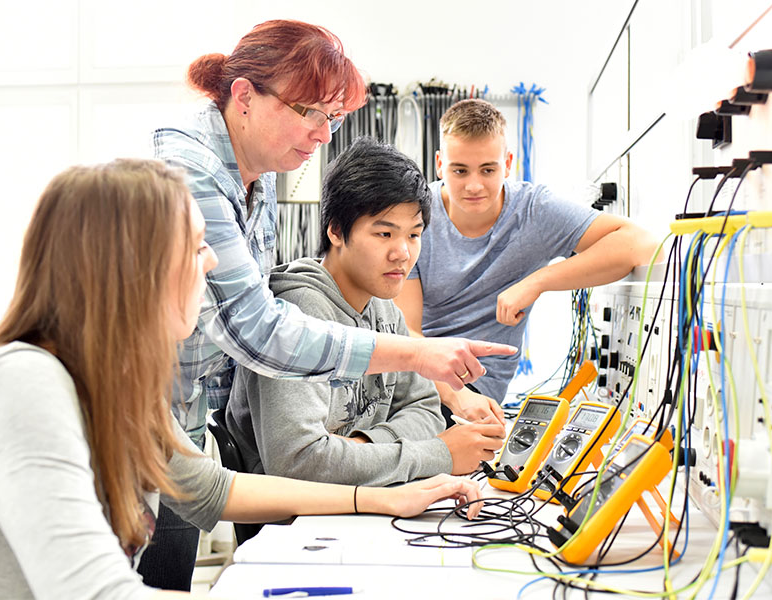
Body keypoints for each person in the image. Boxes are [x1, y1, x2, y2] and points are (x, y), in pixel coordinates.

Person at [0, 159, 484, 599]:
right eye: (196, 244)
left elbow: (213, 489)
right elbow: (97, 592)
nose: (210, 263)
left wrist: (380, 499)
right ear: (131, 265)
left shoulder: (115, 386)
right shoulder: (23, 385)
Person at [149, 21, 513, 588]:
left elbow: (213, 488)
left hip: (183, 436)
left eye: (333, 118)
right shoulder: (190, 171)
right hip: (146, 424)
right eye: (310, 113)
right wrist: (422, 386)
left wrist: (371, 451)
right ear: (243, 96)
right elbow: (256, 331)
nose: (323, 135)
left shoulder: (260, 175)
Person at [226, 138, 506, 486]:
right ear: (336, 231)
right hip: (292, 514)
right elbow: (299, 463)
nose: (402, 253)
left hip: (368, 498)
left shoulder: (384, 307)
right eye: (385, 233)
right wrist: (439, 454)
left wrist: (360, 447)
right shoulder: (297, 313)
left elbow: (426, 409)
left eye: (414, 235)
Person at [395, 98, 658, 424]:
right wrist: (454, 395)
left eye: (488, 170)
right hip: (422, 376)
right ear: (439, 164)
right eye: (459, 170)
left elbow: (640, 243)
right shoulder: (417, 217)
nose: (474, 185)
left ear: (508, 163)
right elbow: (407, 332)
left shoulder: (534, 211)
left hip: (476, 390)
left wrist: (537, 282)